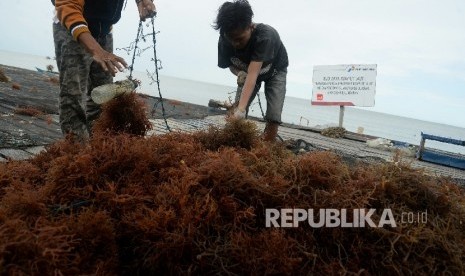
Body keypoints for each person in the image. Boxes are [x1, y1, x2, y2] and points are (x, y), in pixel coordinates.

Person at [52, 0, 156, 141]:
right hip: (72, 27)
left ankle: (99, 143)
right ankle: (76, 150)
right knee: (73, 94)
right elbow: (68, 6)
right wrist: (96, 50)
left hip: (104, 30)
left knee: (103, 97)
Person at [213, 0, 288, 142]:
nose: (235, 43)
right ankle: (236, 141)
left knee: (274, 112)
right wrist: (239, 73)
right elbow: (231, 64)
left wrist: (241, 110)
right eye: (231, 39)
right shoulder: (224, 40)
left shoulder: (265, 36)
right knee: (238, 108)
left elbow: (253, 76)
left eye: (240, 39)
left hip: (274, 70)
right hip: (248, 71)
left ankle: (268, 143)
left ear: (251, 27)